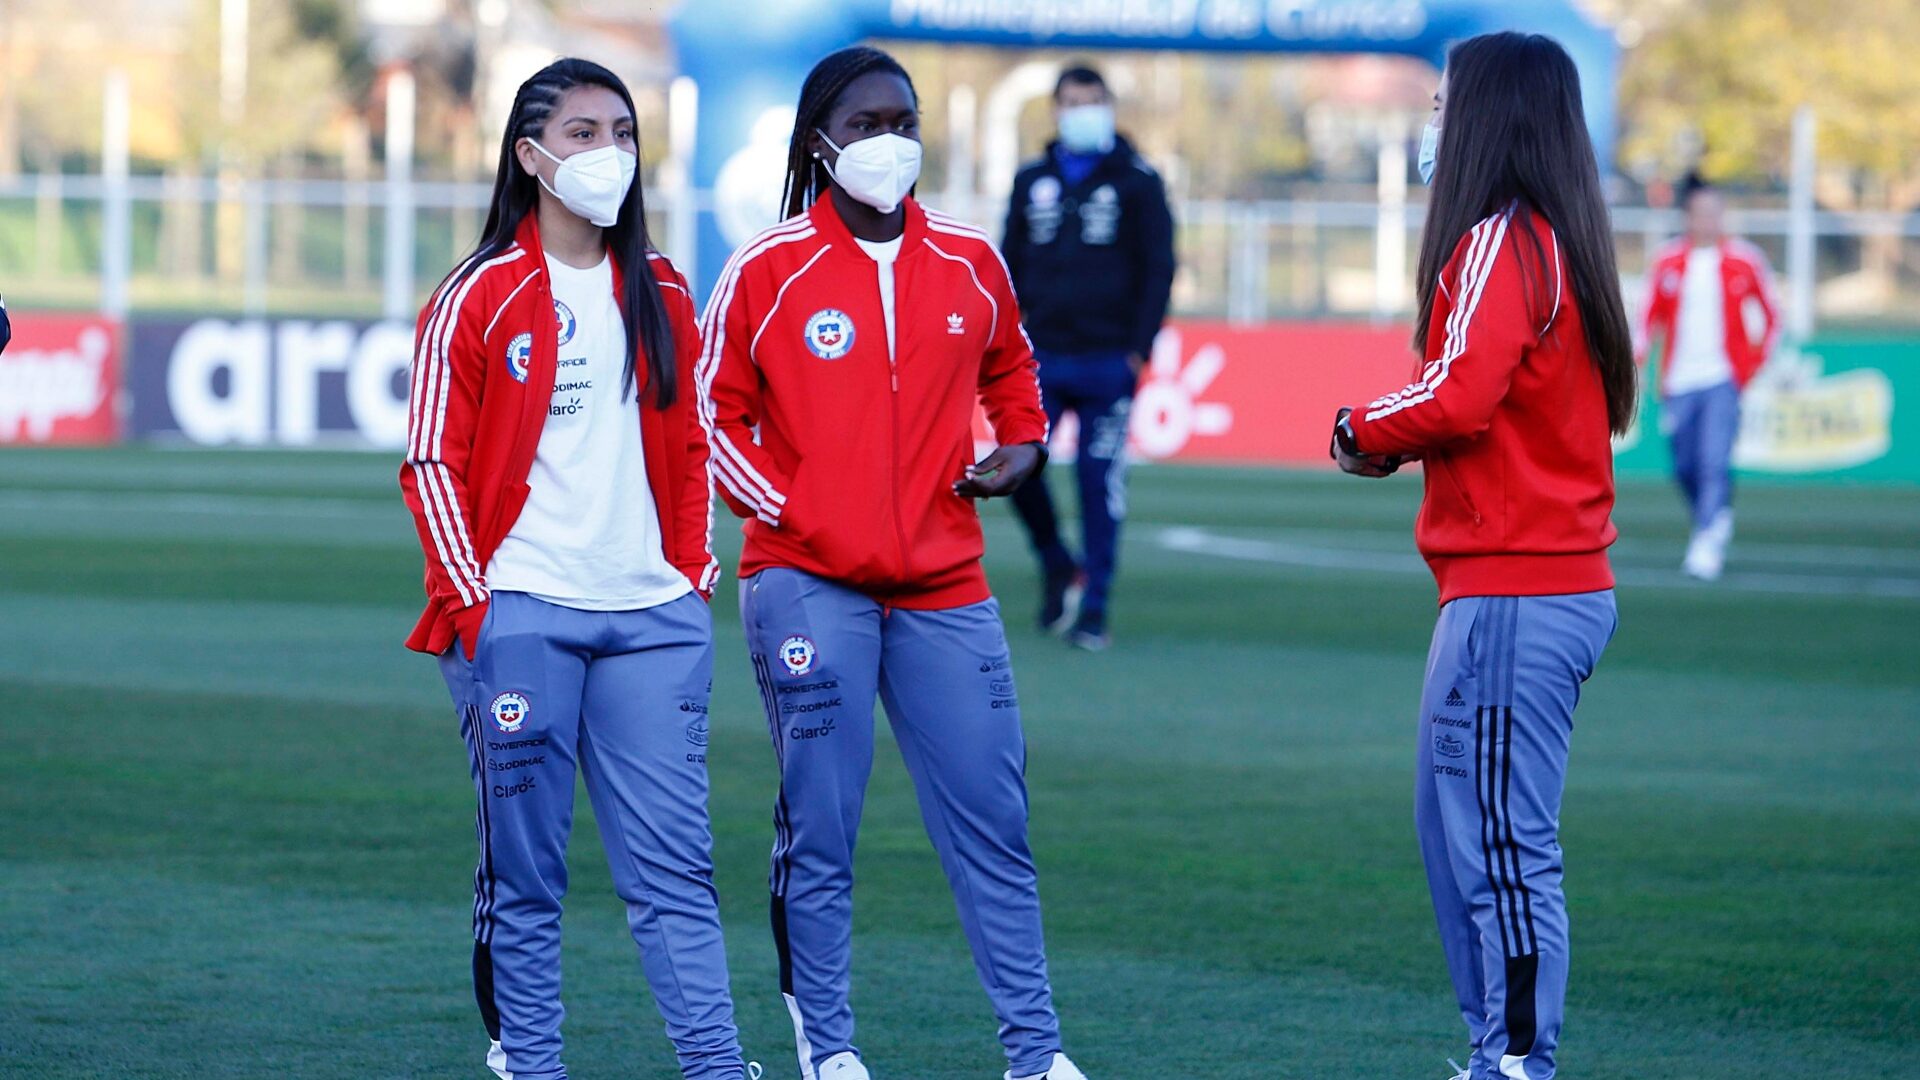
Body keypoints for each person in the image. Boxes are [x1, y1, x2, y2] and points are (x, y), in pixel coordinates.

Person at [700, 44, 1090, 1080]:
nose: (891, 142)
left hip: (944, 584)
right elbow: (714, 415)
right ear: (821, 141)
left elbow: (1013, 368)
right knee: (821, 824)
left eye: (905, 123)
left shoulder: (970, 261)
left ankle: (1037, 1054)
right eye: (869, 124)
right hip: (803, 581)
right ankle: (828, 1047)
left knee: (995, 822)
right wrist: (799, 511)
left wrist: (1019, 443)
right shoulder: (766, 269)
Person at [398, 58, 753, 1080]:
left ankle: (718, 1068)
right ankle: (533, 1065)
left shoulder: (666, 288)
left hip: (653, 618)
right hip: (520, 616)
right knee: (526, 876)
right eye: (586, 134)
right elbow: (431, 461)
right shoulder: (479, 293)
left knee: (676, 873)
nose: (611, 155)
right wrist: (476, 603)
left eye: (624, 134)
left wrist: (691, 573)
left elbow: (693, 446)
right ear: (532, 155)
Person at [1328, 32, 1636, 1080]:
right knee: (1460, 834)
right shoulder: (1559, 242)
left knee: (1498, 846)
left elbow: (1459, 390)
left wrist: (1357, 429)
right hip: (1519, 587)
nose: (1432, 123)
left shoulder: (1502, 242)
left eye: (1443, 102)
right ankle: (1496, 1054)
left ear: (1488, 117)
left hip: (1518, 589)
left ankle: (1514, 1061)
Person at [1002, 64, 1176, 650]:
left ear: (1109, 105)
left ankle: (1095, 606)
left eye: (1093, 100)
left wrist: (1138, 350)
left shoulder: (1138, 180)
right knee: (1018, 467)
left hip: (1108, 360)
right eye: (1073, 101)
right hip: (1042, 356)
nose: (1083, 110)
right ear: (1055, 109)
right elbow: (1008, 262)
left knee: (1099, 483)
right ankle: (1055, 560)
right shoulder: (1032, 180)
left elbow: (1159, 267)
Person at [1636, 172, 1780, 580]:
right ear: (1688, 215)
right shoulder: (1667, 261)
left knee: (1714, 460)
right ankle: (1714, 514)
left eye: (1716, 212)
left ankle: (1706, 539)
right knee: (1683, 465)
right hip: (1679, 382)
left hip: (1722, 379)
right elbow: (1646, 320)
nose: (1710, 220)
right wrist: (1638, 364)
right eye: (1702, 212)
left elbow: (1772, 315)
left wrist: (1750, 367)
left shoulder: (1744, 259)